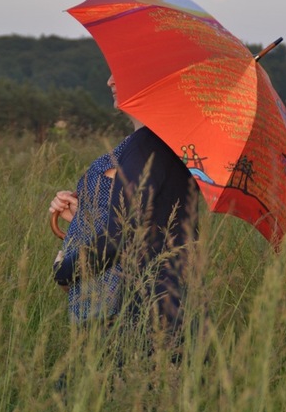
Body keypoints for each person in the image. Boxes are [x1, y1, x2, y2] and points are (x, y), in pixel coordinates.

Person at [49, 74, 199, 334]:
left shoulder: (147, 147)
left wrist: (66, 271)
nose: (109, 81)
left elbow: (119, 237)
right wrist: (83, 217)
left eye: (119, 74)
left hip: (140, 310)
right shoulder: (154, 144)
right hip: (154, 302)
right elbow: (148, 218)